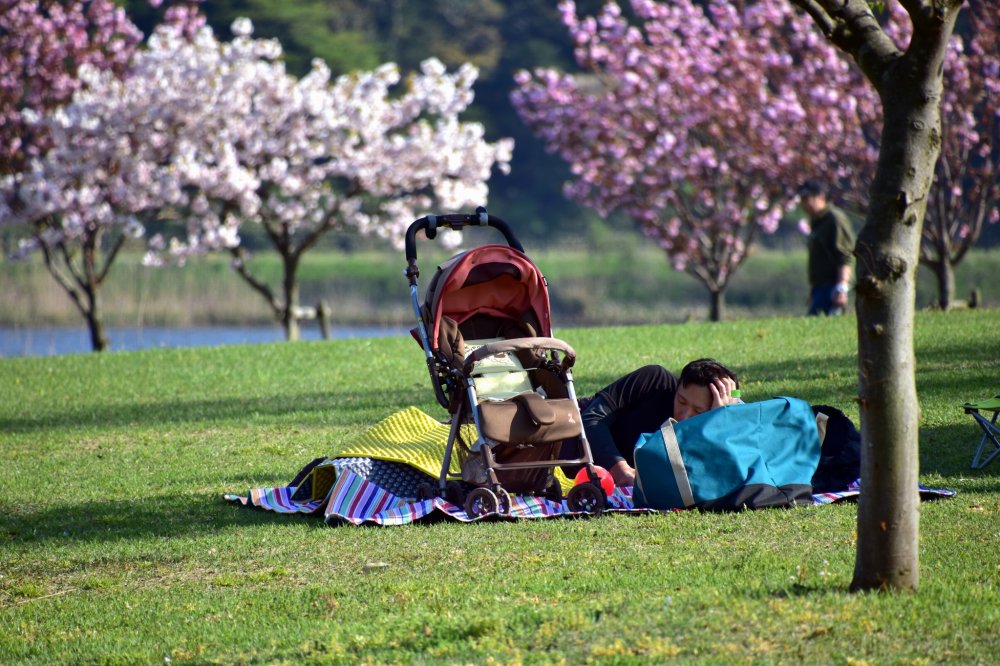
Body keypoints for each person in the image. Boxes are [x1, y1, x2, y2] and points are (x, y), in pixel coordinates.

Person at [575, 359, 741, 487]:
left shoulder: (721, 424)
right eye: (681, 401)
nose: (684, 416)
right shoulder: (654, 380)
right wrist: (621, 470)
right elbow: (592, 417)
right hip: (566, 434)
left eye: (698, 411)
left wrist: (719, 420)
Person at [797, 178, 855, 316]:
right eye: (802, 199)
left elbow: (844, 256)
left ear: (821, 197)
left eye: (807, 198)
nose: (804, 204)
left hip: (832, 287)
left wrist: (841, 288)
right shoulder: (816, 221)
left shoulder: (834, 219)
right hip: (820, 287)